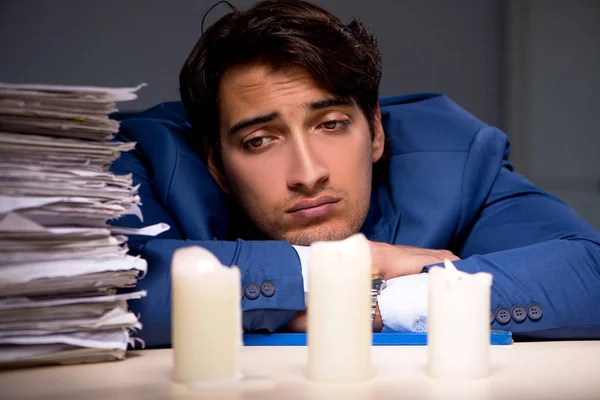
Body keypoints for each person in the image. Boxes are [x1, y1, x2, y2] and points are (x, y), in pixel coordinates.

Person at [111, 0, 600, 348]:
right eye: (259, 140)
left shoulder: (453, 158)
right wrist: (355, 265)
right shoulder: (144, 157)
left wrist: (379, 302)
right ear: (215, 161)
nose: (308, 174)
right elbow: (101, 295)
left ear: (376, 131)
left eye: (331, 125)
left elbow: (590, 276)